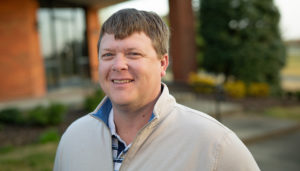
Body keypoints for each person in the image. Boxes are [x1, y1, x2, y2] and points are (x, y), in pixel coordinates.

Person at [54, 8, 260, 171]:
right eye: (108, 55)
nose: (118, 65)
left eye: (133, 54)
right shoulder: (74, 137)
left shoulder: (215, 145)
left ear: (163, 64)